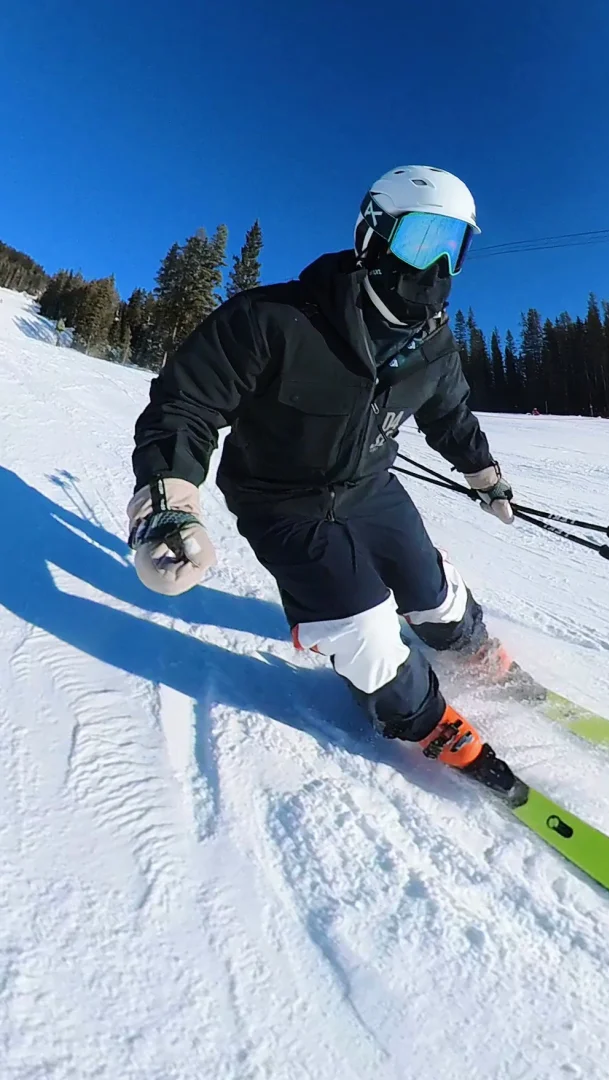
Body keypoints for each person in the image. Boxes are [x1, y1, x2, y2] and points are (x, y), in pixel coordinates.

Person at [127, 165, 520, 794]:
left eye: (456, 247)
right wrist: (169, 503)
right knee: (362, 627)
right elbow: (186, 404)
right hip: (282, 499)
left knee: (431, 590)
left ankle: (467, 644)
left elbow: (450, 416)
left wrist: (485, 476)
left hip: (370, 488)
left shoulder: (432, 345)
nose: (438, 268)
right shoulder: (274, 319)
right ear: (374, 236)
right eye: (423, 242)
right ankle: (418, 716)